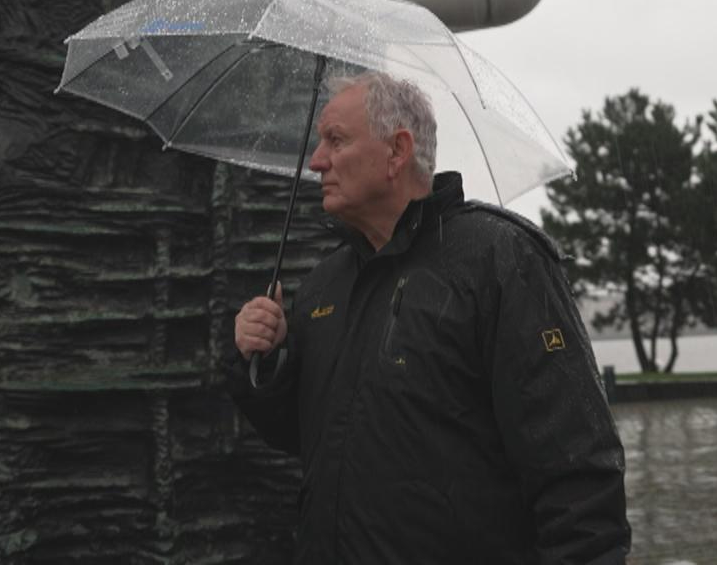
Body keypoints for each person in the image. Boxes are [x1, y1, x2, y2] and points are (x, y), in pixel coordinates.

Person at [230, 72, 631, 564]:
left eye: (335, 140)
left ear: (397, 151)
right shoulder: (324, 284)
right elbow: (311, 440)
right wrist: (267, 365)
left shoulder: (501, 260)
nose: (316, 161)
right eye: (318, 144)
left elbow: (577, 476)